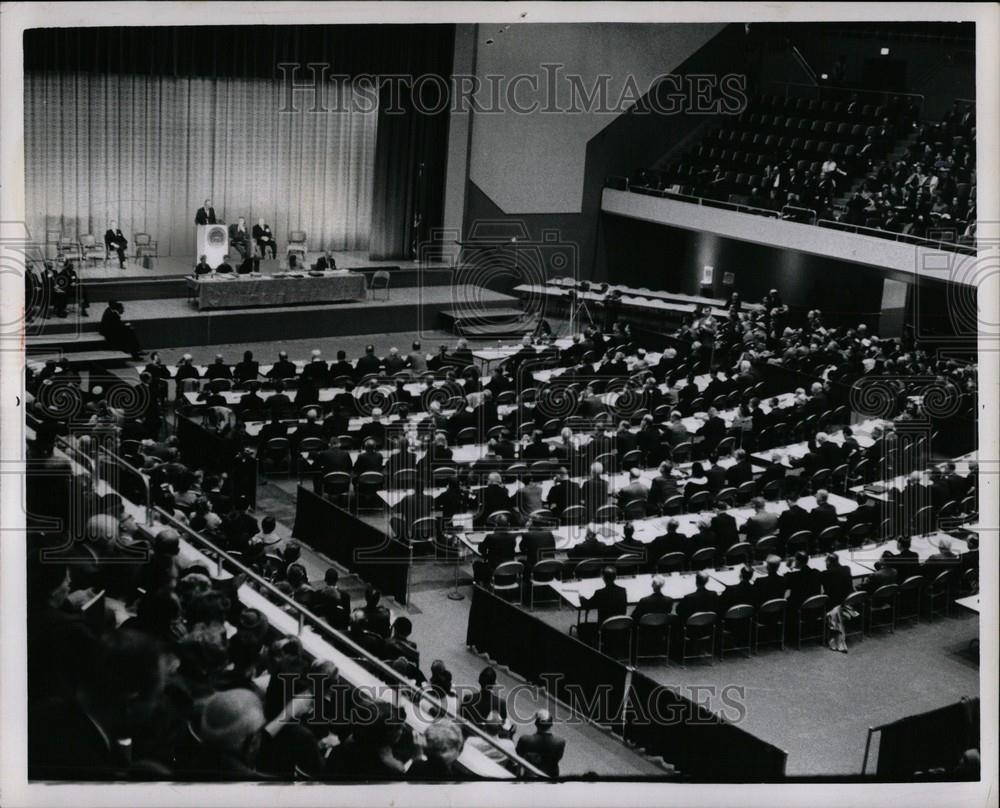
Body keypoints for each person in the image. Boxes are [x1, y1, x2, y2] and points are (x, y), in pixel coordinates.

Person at [577, 566, 627, 644]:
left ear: (603, 578)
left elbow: (586, 605)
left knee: (581, 627)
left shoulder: (599, 593)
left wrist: (581, 597)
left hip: (604, 626)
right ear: (615, 577)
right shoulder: (622, 591)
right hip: (620, 624)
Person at [515, 710, 566, 778]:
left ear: (536, 724)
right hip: (550, 776)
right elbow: (558, 758)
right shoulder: (560, 742)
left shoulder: (525, 740)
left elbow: (518, 756)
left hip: (529, 775)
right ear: (551, 724)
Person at [822, 553, 854, 652]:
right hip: (847, 601)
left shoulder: (826, 574)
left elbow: (826, 590)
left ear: (829, 562)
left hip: (833, 603)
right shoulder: (847, 569)